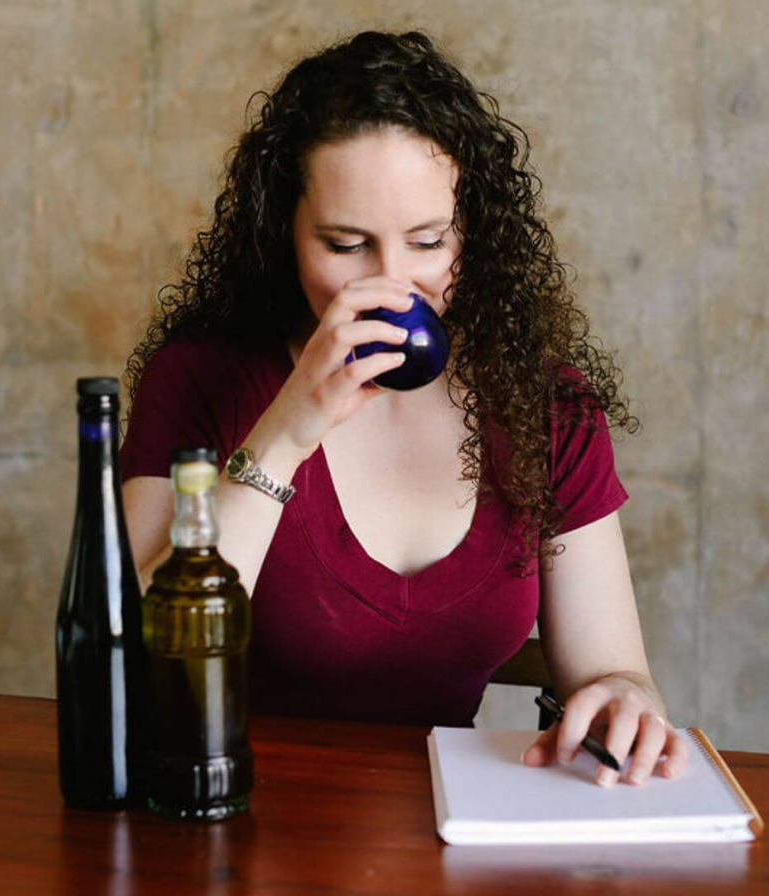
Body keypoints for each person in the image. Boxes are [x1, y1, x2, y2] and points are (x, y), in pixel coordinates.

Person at [120, 29, 688, 788]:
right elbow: (143, 655)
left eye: (427, 241)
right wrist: (288, 431)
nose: (392, 283)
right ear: (283, 233)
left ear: (471, 235)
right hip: (226, 810)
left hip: (446, 825)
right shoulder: (197, 381)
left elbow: (614, 670)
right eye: (346, 243)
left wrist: (624, 697)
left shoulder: (541, 404)